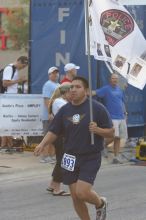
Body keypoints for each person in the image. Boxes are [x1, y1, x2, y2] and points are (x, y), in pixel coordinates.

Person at [34, 76, 114, 220]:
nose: (73, 90)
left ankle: (100, 203)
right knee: (76, 197)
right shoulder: (65, 109)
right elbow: (54, 131)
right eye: (71, 87)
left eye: (78, 87)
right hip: (69, 156)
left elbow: (111, 132)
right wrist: (42, 144)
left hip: (90, 156)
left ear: (87, 91)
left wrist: (98, 130)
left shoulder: (97, 108)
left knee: (82, 192)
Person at [92, 73, 128, 164]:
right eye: (113, 78)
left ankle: (116, 157)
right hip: (112, 117)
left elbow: (122, 102)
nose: (115, 80)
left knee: (118, 138)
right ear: (110, 79)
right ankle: (102, 145)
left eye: (116, 79)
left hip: (121, 117)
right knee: (113, 136)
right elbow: (94, 93)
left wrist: (125, 113)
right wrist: (84, 92)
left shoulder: (120, 90)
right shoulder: (106, 89)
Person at [46, 83, 72, 196]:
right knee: (62, 161)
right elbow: (69, 117)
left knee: (60, 160)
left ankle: (52, 185)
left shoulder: (61, 101)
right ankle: (57, 188)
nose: (72, 94)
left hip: (61, 134)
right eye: (71, 92)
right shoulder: (60, 102)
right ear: (66, 93)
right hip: (61, 135)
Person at [0, 56, 28, 152]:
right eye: (23, 66)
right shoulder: (9, 68)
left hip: (10, 98)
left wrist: (19, 82)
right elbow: (5, 83)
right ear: (19, 61)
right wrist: (18, 81)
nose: (23, 68)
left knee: (7, 122)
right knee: (7, 122)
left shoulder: (14, 69)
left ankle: (5, 145)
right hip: (7, 98)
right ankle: (6, 145)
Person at [40, 66, 60, 163]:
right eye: (53, 73)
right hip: (49, 116)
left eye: (57, 73)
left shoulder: (58, 85)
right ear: (49, 75)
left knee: (53, 137)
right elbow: (46, 100)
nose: (55, 74)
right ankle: (44, 156)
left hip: (56, 116)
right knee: (47, 136)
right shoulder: (48, 85)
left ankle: (51, 156)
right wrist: (50, 112)